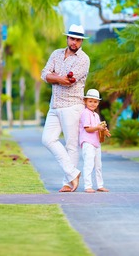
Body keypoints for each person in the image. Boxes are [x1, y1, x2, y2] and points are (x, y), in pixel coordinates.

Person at [41, 24, 91, 192]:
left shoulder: (83, 59)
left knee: (71, 145)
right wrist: (54, 77)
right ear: (67, 38)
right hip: (54, 104)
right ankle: (73, 173)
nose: (74, 42)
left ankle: (67, 183)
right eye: (72, 38)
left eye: (78, 39)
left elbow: (69, 81)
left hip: (72, 105)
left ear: (81, 41)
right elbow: (43, 74)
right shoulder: (56, 54)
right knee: (47, 139)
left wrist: (53, 77)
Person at [79, 89, 111, 193]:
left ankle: (100, 185)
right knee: (89, 164)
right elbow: (87, 128)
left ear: (98, 103)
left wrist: (104, 130)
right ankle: (88, 186)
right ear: (85, 101)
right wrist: (98, 128)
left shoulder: (96, 115)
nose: (93, 104)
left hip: (96, 142)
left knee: (98, 165)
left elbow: (99, 127)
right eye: (90, 101)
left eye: (95, 102)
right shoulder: (85, 113)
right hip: (88, 142)